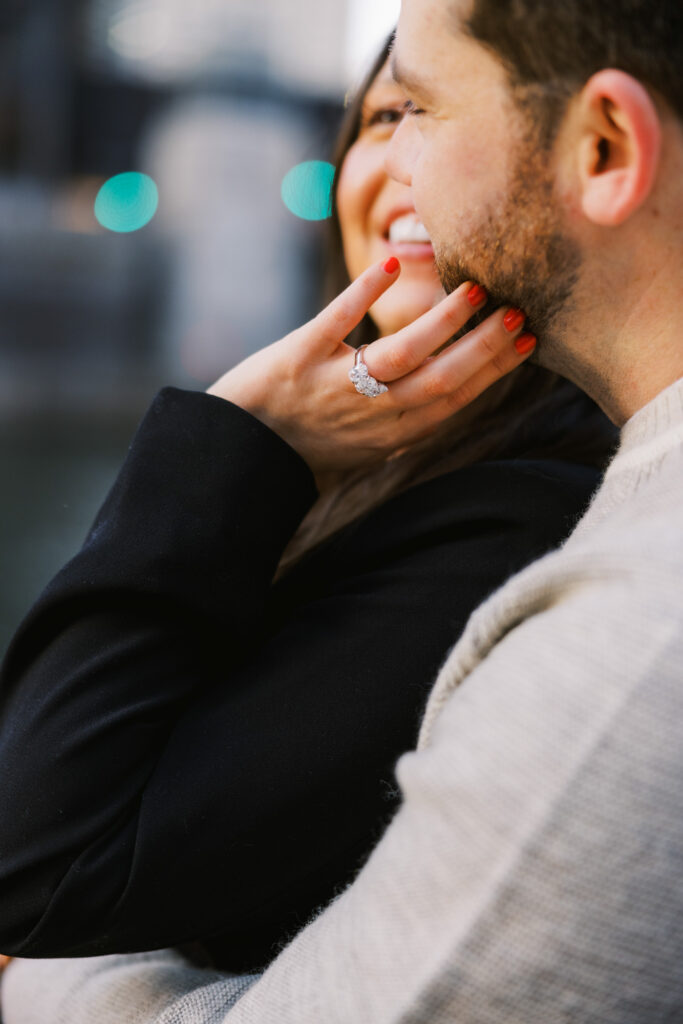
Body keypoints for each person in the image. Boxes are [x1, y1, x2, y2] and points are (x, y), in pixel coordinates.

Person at [4, 2, 663, 1011]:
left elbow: (37, 870)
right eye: (377, 120)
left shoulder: (518, 525)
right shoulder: (409, 488)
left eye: (425, 111)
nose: (400, 164)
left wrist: (230, 436)